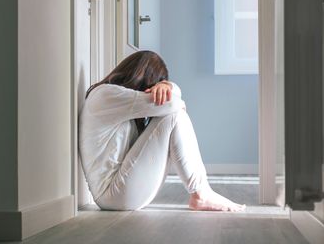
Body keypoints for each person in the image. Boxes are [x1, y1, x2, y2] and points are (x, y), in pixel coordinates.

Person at [80, 50, 245, 212]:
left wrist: (166, 86)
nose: (155, 90)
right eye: (154, 85)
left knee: (174, 115)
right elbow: (174, 104)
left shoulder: (117, 99)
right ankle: (201, 193)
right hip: (112, 195)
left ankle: (201, 192)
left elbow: (174, 101)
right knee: (175, 116)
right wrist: (169, 88)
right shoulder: (106, 95)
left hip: (120, 192)